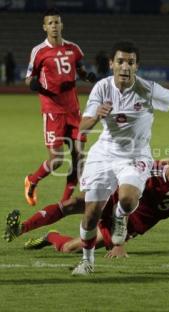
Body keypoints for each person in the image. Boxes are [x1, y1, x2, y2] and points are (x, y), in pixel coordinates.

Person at [73, 41, 169, 275]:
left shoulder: (147, 90)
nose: (125, 66)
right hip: (104, 153)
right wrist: (97, 116)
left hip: (135, 154)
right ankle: (87, 262)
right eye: (120, 61)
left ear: (137, 66)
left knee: (128, 200)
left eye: (130, 62)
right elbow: (83, 126)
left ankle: (120, 217)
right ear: (111, 64)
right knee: (91, 216)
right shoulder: (101, 88)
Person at [4, 149, 169, 259]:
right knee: (72, 203)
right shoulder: (149, 172)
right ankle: (21, 228)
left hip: (130, 226)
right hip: (115, 201)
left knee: (71, 249)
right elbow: (126, 199)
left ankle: (51, 237)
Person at [24, 8, 97, 206]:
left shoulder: (73, 49)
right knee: (56, 161)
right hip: (52, 112)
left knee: (78, 155)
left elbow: (79, 70)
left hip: (73, 110)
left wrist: (87, 76)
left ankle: (66, 201)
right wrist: (35, 85)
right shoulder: (39, 51)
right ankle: (32, 180)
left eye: (57, 22)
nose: (54, 26)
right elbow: (29, 77)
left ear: (61, 25)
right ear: (44, 27)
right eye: (50, 23)